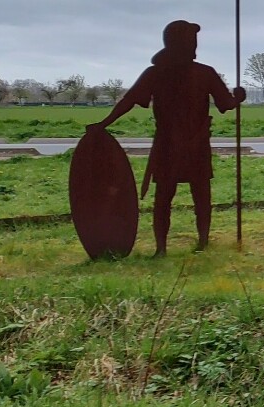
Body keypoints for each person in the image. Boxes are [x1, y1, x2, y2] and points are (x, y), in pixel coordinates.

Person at [94, 20, 246, 256]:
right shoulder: (198, 73)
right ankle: (190, 243)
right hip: (181, 144)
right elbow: (227, 105)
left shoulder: (162, 73)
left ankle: (171, 247)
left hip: (178, 144)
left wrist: (104, 123)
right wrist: (238, 97)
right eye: (191, 40)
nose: (195, 44)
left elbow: (129, 101)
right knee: (188, 196)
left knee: (172, 197)